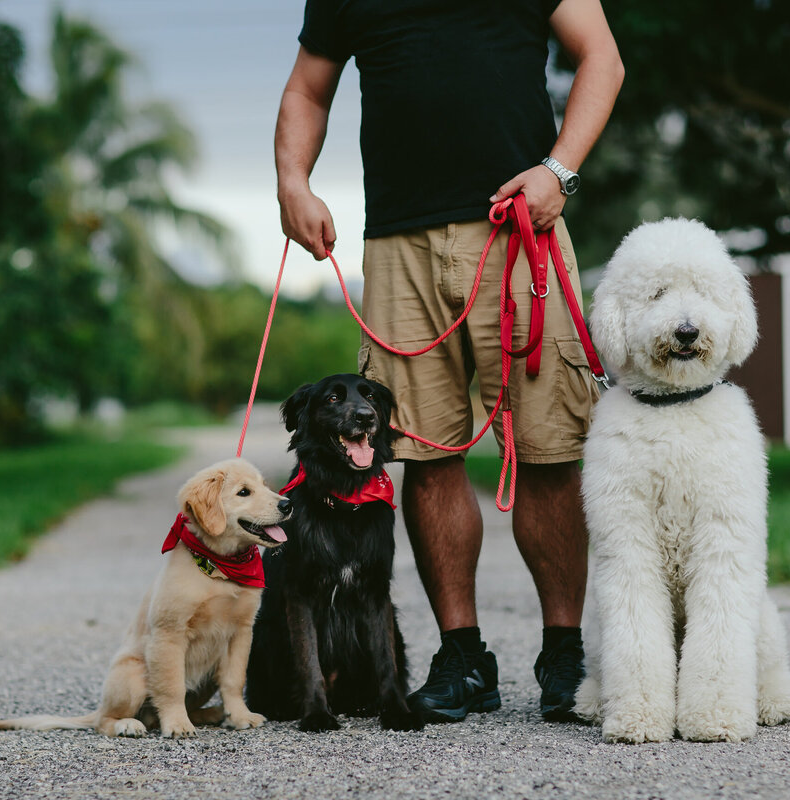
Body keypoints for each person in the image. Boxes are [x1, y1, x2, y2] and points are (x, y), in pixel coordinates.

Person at [275, 0, 625, 723]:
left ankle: (563, 654)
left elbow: (603, 57)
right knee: (421, 453)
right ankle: (462, 658)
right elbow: (309, 86)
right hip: (397, 242)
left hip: (522, 227)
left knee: (550, 449)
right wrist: (292, 182)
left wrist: (559, 171)